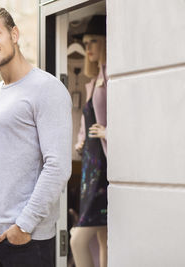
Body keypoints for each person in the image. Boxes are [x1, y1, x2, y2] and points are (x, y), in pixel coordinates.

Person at [0, 5, 72, 267]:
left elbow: (58, 166)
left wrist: (24, 226)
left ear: (14, 34)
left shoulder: (47, 89)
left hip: (26, 241)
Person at [70, 15, 108, 267]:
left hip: (104, 168)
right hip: (89, 167)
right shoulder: (93, 83)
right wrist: (80, 141)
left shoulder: (114, 80)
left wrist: (108, 132)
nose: (89, 47)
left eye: (94, 40)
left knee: (77, 239)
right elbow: (86, 123)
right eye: (85, 43)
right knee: (104, 238)